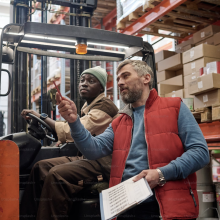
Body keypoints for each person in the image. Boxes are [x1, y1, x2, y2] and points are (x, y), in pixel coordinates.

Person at [57, 60, 210, 220]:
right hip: (125, 205)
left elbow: (200, 153)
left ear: (146, 78)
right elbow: (93, 150)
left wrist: (161, 174)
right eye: (118, 79)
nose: (120, 82)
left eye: (126, 76)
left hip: (164, 206)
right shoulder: (119, 121)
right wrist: (74, 122)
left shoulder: (175, 107)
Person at [20, 66, 119, 220]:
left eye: (91, 81)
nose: (84, 84)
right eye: (82, 80)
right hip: (86, 157)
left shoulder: (105, 107)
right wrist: (59, 135)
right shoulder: (89, 106)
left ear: (101, 87)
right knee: (40, 167)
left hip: (102, 161)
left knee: (56, 175)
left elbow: (75, 129)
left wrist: (41, 117)